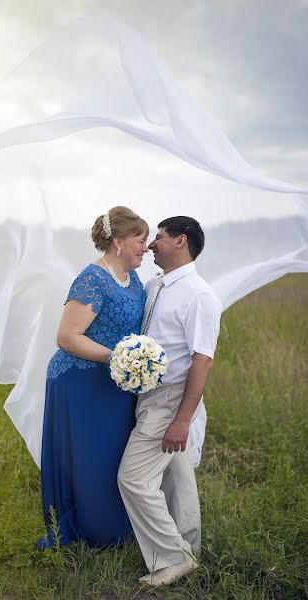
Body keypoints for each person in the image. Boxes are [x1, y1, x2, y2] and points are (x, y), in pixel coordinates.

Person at [118, 216, 222, 587]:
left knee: (132, 478)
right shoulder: (155, 284)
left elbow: (202, 359)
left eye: (158, 238)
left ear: (181, 241)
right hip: (149, 394)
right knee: (178, 480)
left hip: (170, 398)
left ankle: (172, 558)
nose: (151, 245)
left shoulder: (199, 295)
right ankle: (190, 549)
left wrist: (182, 419)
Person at [37, 205, 149, 548]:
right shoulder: (92, 278)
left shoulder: (133, 278)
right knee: (92, 459)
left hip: (114, 383)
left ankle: (119, 527)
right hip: (80, 381)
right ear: (118, 241)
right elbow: (67, 337)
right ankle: (96, 531)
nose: (145, 247)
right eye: (140, 240)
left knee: (114, 456)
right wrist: (117, 357)